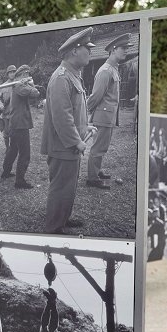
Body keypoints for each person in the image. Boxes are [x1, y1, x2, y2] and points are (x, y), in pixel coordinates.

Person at [41, 27, 98, 234]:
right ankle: (54, 227)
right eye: (87, 48)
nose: (90, 52)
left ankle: (63, 218)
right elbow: (62, 117)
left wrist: (85, 128)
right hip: (63, 146)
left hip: (70, 145)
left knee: (69, 186)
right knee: (61, 187)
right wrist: (77, 141)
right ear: (74, 50)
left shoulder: (73, 75)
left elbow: (73, 111)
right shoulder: (61, 78)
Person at [86, 33, 132, 189]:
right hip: (103, 116)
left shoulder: (113, 68)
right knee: (98, 147)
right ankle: (92, 178)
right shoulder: (105, 70)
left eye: (127, 48)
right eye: (123, 48)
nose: (126, 51)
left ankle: (96, 171)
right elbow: (96, 95)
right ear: (113, 49)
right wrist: (85, 112)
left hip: (108, 116)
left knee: (102, 146)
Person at [1, 64, 40, 189]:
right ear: (22, 75)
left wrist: (27, 83)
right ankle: (20, 181)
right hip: (20, 125)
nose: (29, 77)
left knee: (13, 149)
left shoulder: (17, 85)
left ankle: (6, 172)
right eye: (27, 74)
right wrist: (31, 83)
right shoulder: (19, 86)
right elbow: (36, 93)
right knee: (24, 153)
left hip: (16, 124)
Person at [0, 65, 17, 152]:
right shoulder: (3, 86)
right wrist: (0, 106)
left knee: (15, 133)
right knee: (6, 133)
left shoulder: (18, 84)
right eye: (10, 72)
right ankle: (7, 149)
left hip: (16, 113)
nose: (12, 74)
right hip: (6, 113)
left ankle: (14, 148)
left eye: (14, 72)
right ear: (7, 74)